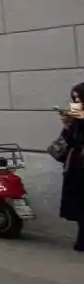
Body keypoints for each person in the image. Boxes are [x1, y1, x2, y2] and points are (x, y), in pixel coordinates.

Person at [57, 82, 84, 251]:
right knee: (79, 204)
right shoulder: (76, 116)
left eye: (79, 98)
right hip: (76, 166)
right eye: (74, 98)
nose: (76, 101)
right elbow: (68, 139)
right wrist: (68, 123)